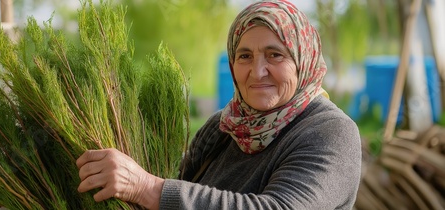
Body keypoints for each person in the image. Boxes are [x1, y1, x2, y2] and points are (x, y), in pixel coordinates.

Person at [76, 0, 362, 209]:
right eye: (245, 56)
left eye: (275, 55)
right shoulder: (224, 126)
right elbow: (182, 183)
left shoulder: (330, 132)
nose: (257, 71)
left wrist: (146, 187)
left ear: (304, 61)